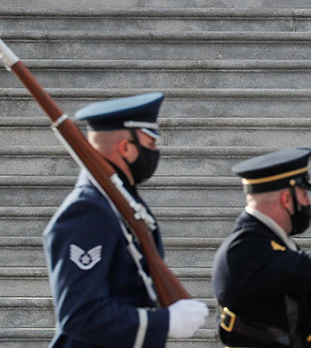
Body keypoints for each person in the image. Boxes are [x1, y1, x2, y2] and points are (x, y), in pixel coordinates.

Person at [43, 92, 209, 348]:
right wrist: (163, 322)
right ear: (125, 147)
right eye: (150, 144)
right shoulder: (87, 211)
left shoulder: (121, 201)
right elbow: (79, 315)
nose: (154, 152)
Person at [212, 147, 311, 348]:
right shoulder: (246, 249)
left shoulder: (265, 240)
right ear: (286, 199)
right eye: (304, 194)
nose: (307, 203)